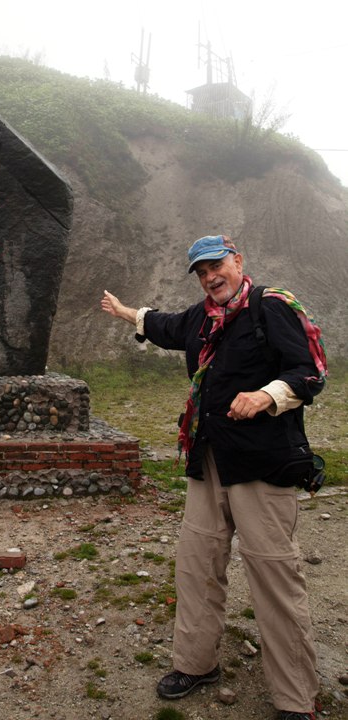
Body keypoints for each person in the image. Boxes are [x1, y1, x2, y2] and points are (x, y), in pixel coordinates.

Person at [100, 234, 327, 720]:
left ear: (238, 261)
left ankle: (295, 698)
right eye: (201, 272)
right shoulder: (201, 317)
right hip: (208, 461)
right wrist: (125, 313)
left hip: (263, 464)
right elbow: (163, 326)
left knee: (273, 577)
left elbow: (309, 370)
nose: (210, 277)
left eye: (216, 266)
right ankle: (196, 664)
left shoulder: (273, 307)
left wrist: (268, 395)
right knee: (197, 566)